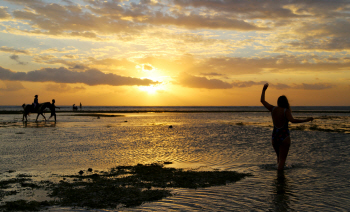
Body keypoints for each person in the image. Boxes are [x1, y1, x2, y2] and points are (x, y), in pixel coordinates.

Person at [260, 83, 313, 170]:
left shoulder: (273, 109)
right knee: (283, 160)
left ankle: (278, 180)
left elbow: (262, 101)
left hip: (275, 137)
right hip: (284, 137)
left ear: (278, 102)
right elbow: (293, 120)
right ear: (286, 102)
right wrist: (306, 120)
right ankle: (280, 178)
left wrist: (264, 90)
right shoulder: (286, 111)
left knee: (279, 158)